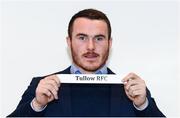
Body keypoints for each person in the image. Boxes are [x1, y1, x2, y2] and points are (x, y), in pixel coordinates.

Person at [8, 8, 165, 117]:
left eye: (99, 38)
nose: (91, 46)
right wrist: (36, 105)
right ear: (69, 42)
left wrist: (143, 106)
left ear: (110, 43)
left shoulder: (133, 89)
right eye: (82, 38)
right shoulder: (41, 87)